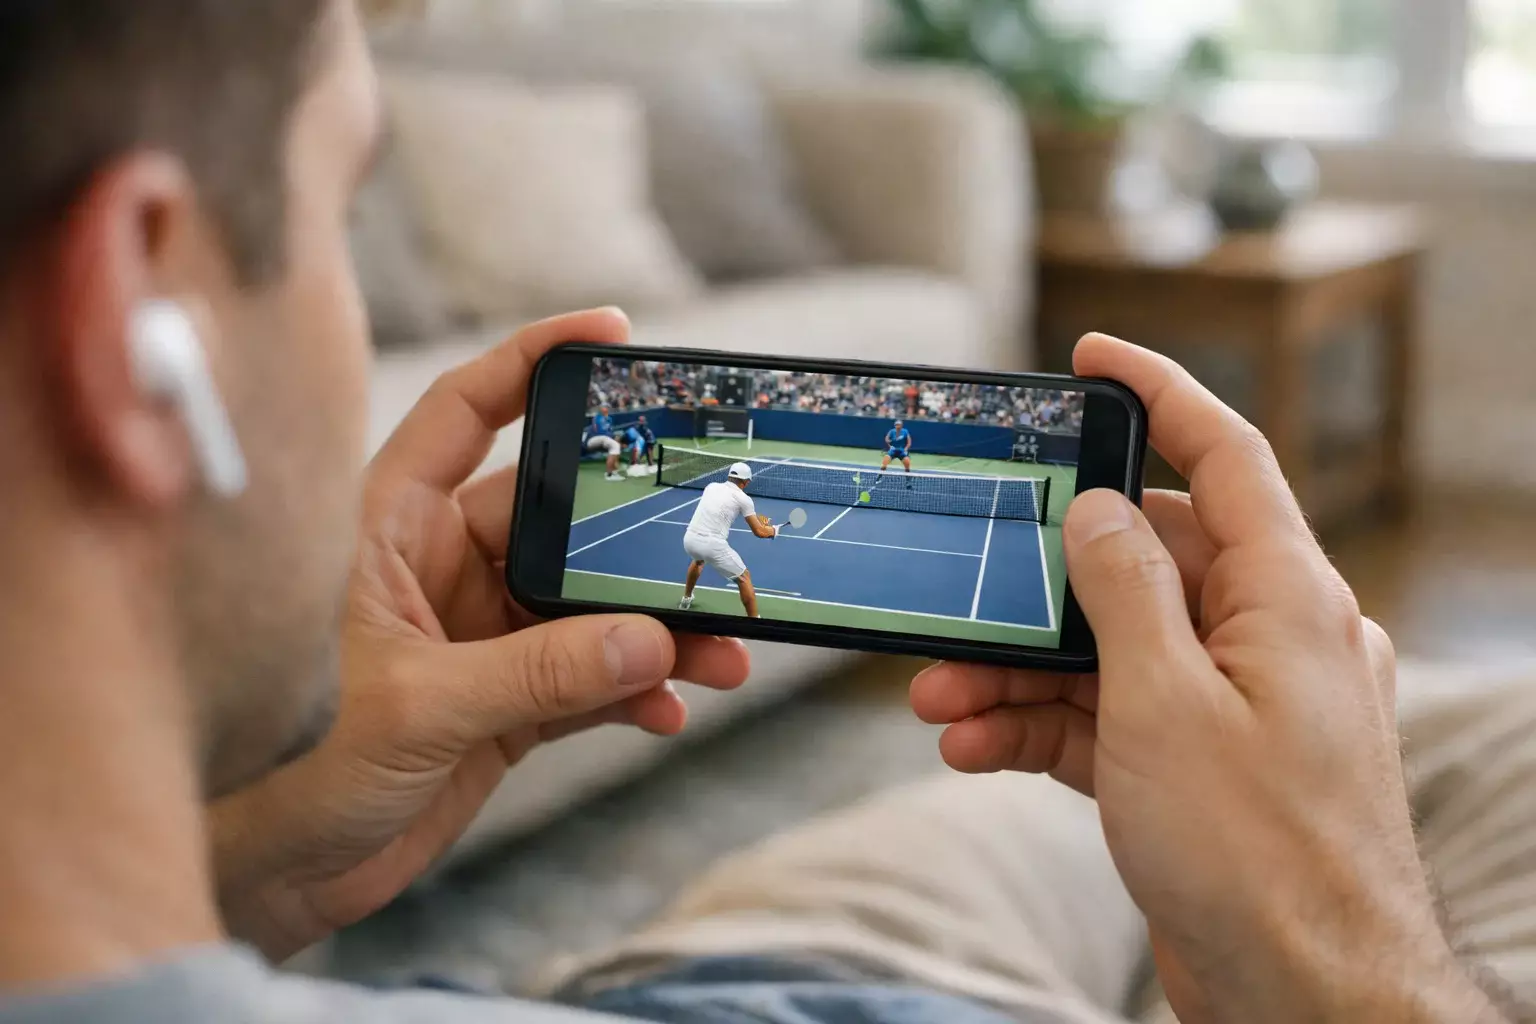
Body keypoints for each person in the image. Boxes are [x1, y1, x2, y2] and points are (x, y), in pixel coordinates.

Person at [0, 5, 1526, 1024]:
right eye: (342, 210)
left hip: (748, 947)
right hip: (855, 964)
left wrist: (243, 883)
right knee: (1480, 732)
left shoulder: (227, 907)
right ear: (139, 329)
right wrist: (1343, 961)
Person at [678, 463, 778, 619]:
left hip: (690, 540)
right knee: (744, 577)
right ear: (746, 482)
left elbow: (721, 508)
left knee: (698, 561)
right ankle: (755, 622)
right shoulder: (743, 499)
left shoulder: (711, 487)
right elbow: (759, 532)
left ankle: (686, 599)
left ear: (730, 476)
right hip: (712, 545)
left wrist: (761, 523)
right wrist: (773, 531)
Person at [587, 403, 624, 481]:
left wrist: (616, 438)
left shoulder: (609, 419)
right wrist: (614, 436)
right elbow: (600, 432)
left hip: (603, 440)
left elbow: (610, 431)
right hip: (594, 439)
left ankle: (614, 470)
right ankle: (609, 475)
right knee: (615, 445)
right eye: (604, 407)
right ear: (600, 408)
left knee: (616, 443)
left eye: (608, 407)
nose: (606, 408)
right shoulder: (597, 417)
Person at [879, 419, 914, 485]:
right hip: (893, 450)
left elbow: (909, 442)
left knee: (907, 463)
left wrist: (906, 449)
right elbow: (886, 439)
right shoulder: (891, 431)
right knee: (884, 463)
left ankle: (908, 481)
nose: (897, 426)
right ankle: (879, 477)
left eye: (899, 425)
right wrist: (889, 444)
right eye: (896, 425)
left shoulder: (905, 431)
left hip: (901, 451)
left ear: (901, 425)